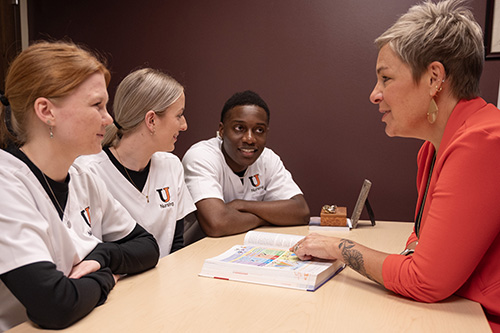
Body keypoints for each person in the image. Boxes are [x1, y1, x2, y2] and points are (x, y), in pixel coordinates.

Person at [292, 1, 500, 331]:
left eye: (386, 79)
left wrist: (338, 247)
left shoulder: (485, 142)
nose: (375, 95)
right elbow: (419, 243)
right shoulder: (434, 149)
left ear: (434, 78)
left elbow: (424, 280)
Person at [0, 41, 160, 331]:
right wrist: (106, 277)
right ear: (46, 111)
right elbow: (53, 305)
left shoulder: (82, 177)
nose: (109, 118)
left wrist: (102, 257)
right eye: (96, 105)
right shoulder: (5, 184)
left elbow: (148, 248)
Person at [75, 68, 196, 258]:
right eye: (179, 115)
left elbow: (176, 243)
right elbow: (89, 253)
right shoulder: (87, 172)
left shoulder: (171, 166)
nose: (184, 125)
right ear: (151, 120)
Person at [182, 90, 310, 243]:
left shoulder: (267, 158)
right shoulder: (201, 156)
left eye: (259, 130)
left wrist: (240, 205)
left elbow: (301, 212)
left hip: (243, 247)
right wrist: (266, 218)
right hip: (196, 252)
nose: (250, 139)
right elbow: (216, 223)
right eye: (239, 128)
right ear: (222, 131)